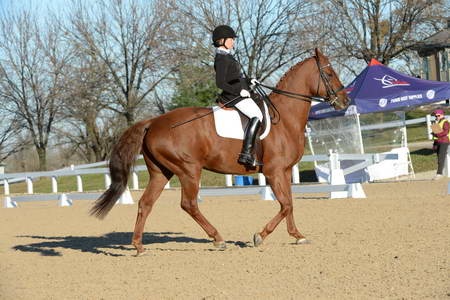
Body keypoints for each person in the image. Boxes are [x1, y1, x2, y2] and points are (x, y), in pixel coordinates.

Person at [212, 25, 263, 167]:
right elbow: (220, 83)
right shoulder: (221, 58)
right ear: (221, 40)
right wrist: (238, 92)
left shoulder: (227, 56)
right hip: (233, 97)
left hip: (240, 93)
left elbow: (235, 78)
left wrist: (248, 81)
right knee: (257, 115)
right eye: (231, 39)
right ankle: (246, 154)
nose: (233, 41)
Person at [431, 109, 449, 180]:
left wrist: (436, 133)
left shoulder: (445, 122)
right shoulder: (437, 122)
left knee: (441, 158)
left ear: (442, 115)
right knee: (439, 157)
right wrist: (434, 144)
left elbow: (446, 132)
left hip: (444, 141)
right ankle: (440, 172)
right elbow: (436, 134)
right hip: (438, 142)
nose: (436, 117)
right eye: (435, 116)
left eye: (438, 115)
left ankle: (439, 174)